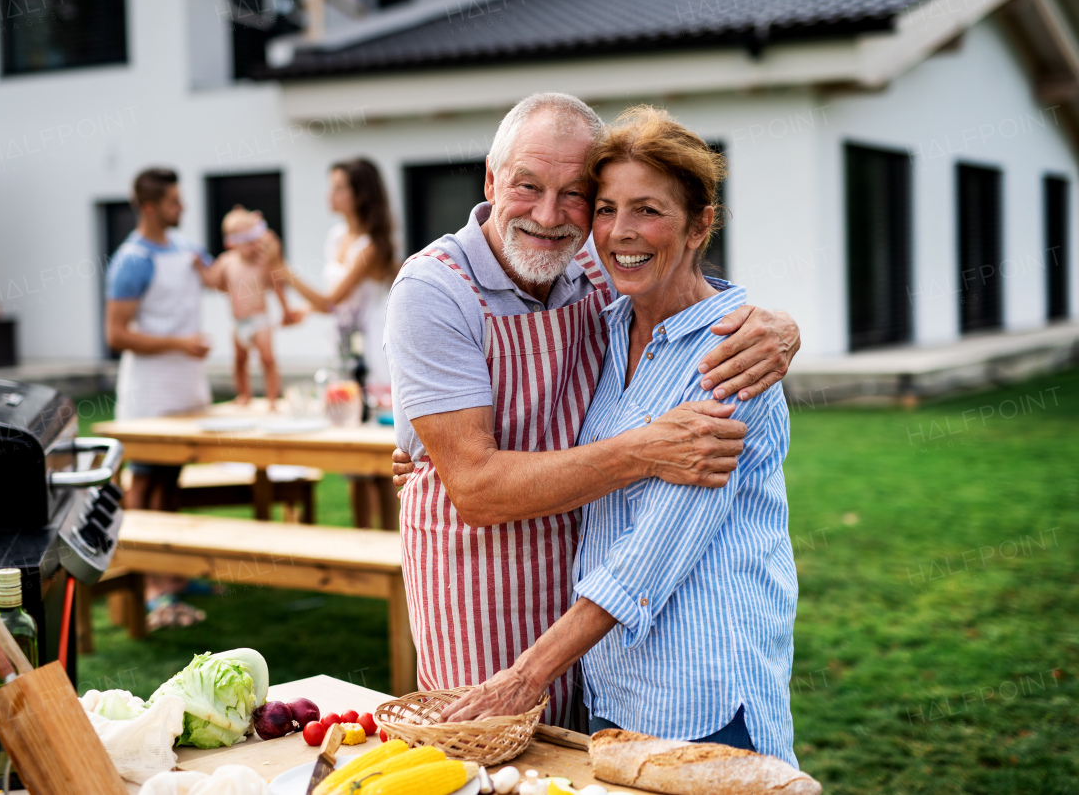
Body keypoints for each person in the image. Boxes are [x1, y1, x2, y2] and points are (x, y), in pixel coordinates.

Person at [382, 93, 801, 729]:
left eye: (576, 194)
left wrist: (782, 325)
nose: (551, 217)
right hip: (478, 588)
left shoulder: (621, 289)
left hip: (643, 646)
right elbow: (475, 488)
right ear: (491, 180)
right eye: (527, 186)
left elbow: (674, 285)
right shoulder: (433, 291)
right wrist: (643, 449)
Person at [105, 167, 218, 629]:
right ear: (150, 207)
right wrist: (178, 344)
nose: (183, 207)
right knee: (146, 487)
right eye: (174, 201)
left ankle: (174, 574)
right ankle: (152, 591)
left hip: (186, 387)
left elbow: (220, 280)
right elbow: (116, 334)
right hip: (149, 392)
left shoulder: (189, 251)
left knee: (172, 481)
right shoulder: (131, 260)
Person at [273, 157, 399, 526]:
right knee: (353, 459)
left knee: (379, 460)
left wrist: (282, 268)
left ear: (360, 195)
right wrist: (304, 313)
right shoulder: (336, 238)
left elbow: (333, 301)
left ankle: (388, 546)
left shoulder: (372, 246)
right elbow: (334, 304)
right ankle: (363, 541)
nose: (332, 194)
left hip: (373, 353)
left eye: (340, 186)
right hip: (344, 349)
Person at [217, 205, 302, 409]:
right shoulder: (227, 262)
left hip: (259, 320)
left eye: (253, 239)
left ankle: (272, 398)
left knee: (267, 359)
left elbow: (277, 287)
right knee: (239, 360)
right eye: (246, 240)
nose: (252, 245)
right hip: (238, 323)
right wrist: (198, 266)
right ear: (231, 243)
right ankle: (243, 394)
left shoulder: (263, 263)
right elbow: (216, 282)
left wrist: (286, 310)